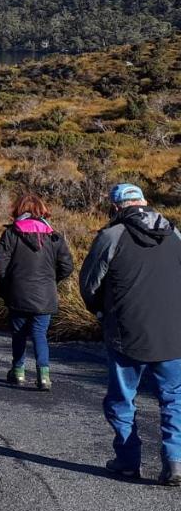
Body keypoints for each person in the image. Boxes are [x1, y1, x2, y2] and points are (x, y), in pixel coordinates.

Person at [80, 183, 181, 486]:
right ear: (144, 203)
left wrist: (100, 313)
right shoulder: (174, 235)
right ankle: (175, 461)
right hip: (173, 332)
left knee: (122, 399)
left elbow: (90, 285)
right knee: (173, 398)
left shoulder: (111, 236)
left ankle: (127, 460)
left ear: (116, 207)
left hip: (126, 331)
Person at [0, 193, 75, 390]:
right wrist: (52, 281)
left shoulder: (11, 234)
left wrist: (9, 282)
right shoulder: (54, 236)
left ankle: (18, 372)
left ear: (18, 210)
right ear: (42, 210)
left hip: (17, 293)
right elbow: (67, 266)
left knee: (18, 333)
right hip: (45, 294)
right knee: (39, 333)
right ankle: (43, 376)